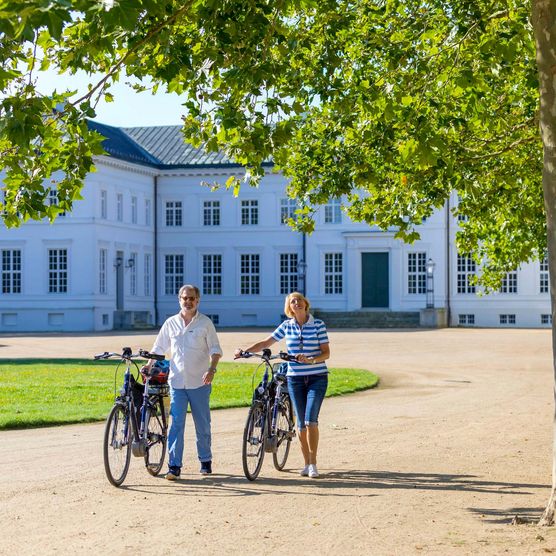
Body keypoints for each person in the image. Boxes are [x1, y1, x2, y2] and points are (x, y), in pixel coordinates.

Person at [235, 292, 330, 478]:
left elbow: (326, 353)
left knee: (311, 420)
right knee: (301, 423)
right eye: (293, 302)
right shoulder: (287, 326)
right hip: (294, 378)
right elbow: (266, 342)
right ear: (289, 308)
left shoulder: (318, 324)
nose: (297, 303)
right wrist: (245, 351)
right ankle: (306, 463)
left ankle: (313, 463)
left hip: (317, 377)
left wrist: (311, 360)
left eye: (299, 300)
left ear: (305, 303)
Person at [142, 284, 222, 480]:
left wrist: (212, 369)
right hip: (177, 382)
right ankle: (174, 466)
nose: (188, 301)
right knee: (176, 424)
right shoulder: (170, 323)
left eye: (191, 298)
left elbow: (215, 350)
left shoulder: (205, 323)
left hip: (200, 382)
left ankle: (205, 460)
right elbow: (159, 348)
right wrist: (149, 365)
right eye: (184, 298)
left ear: (198, 300)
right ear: (179, 299)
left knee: (202, 424)